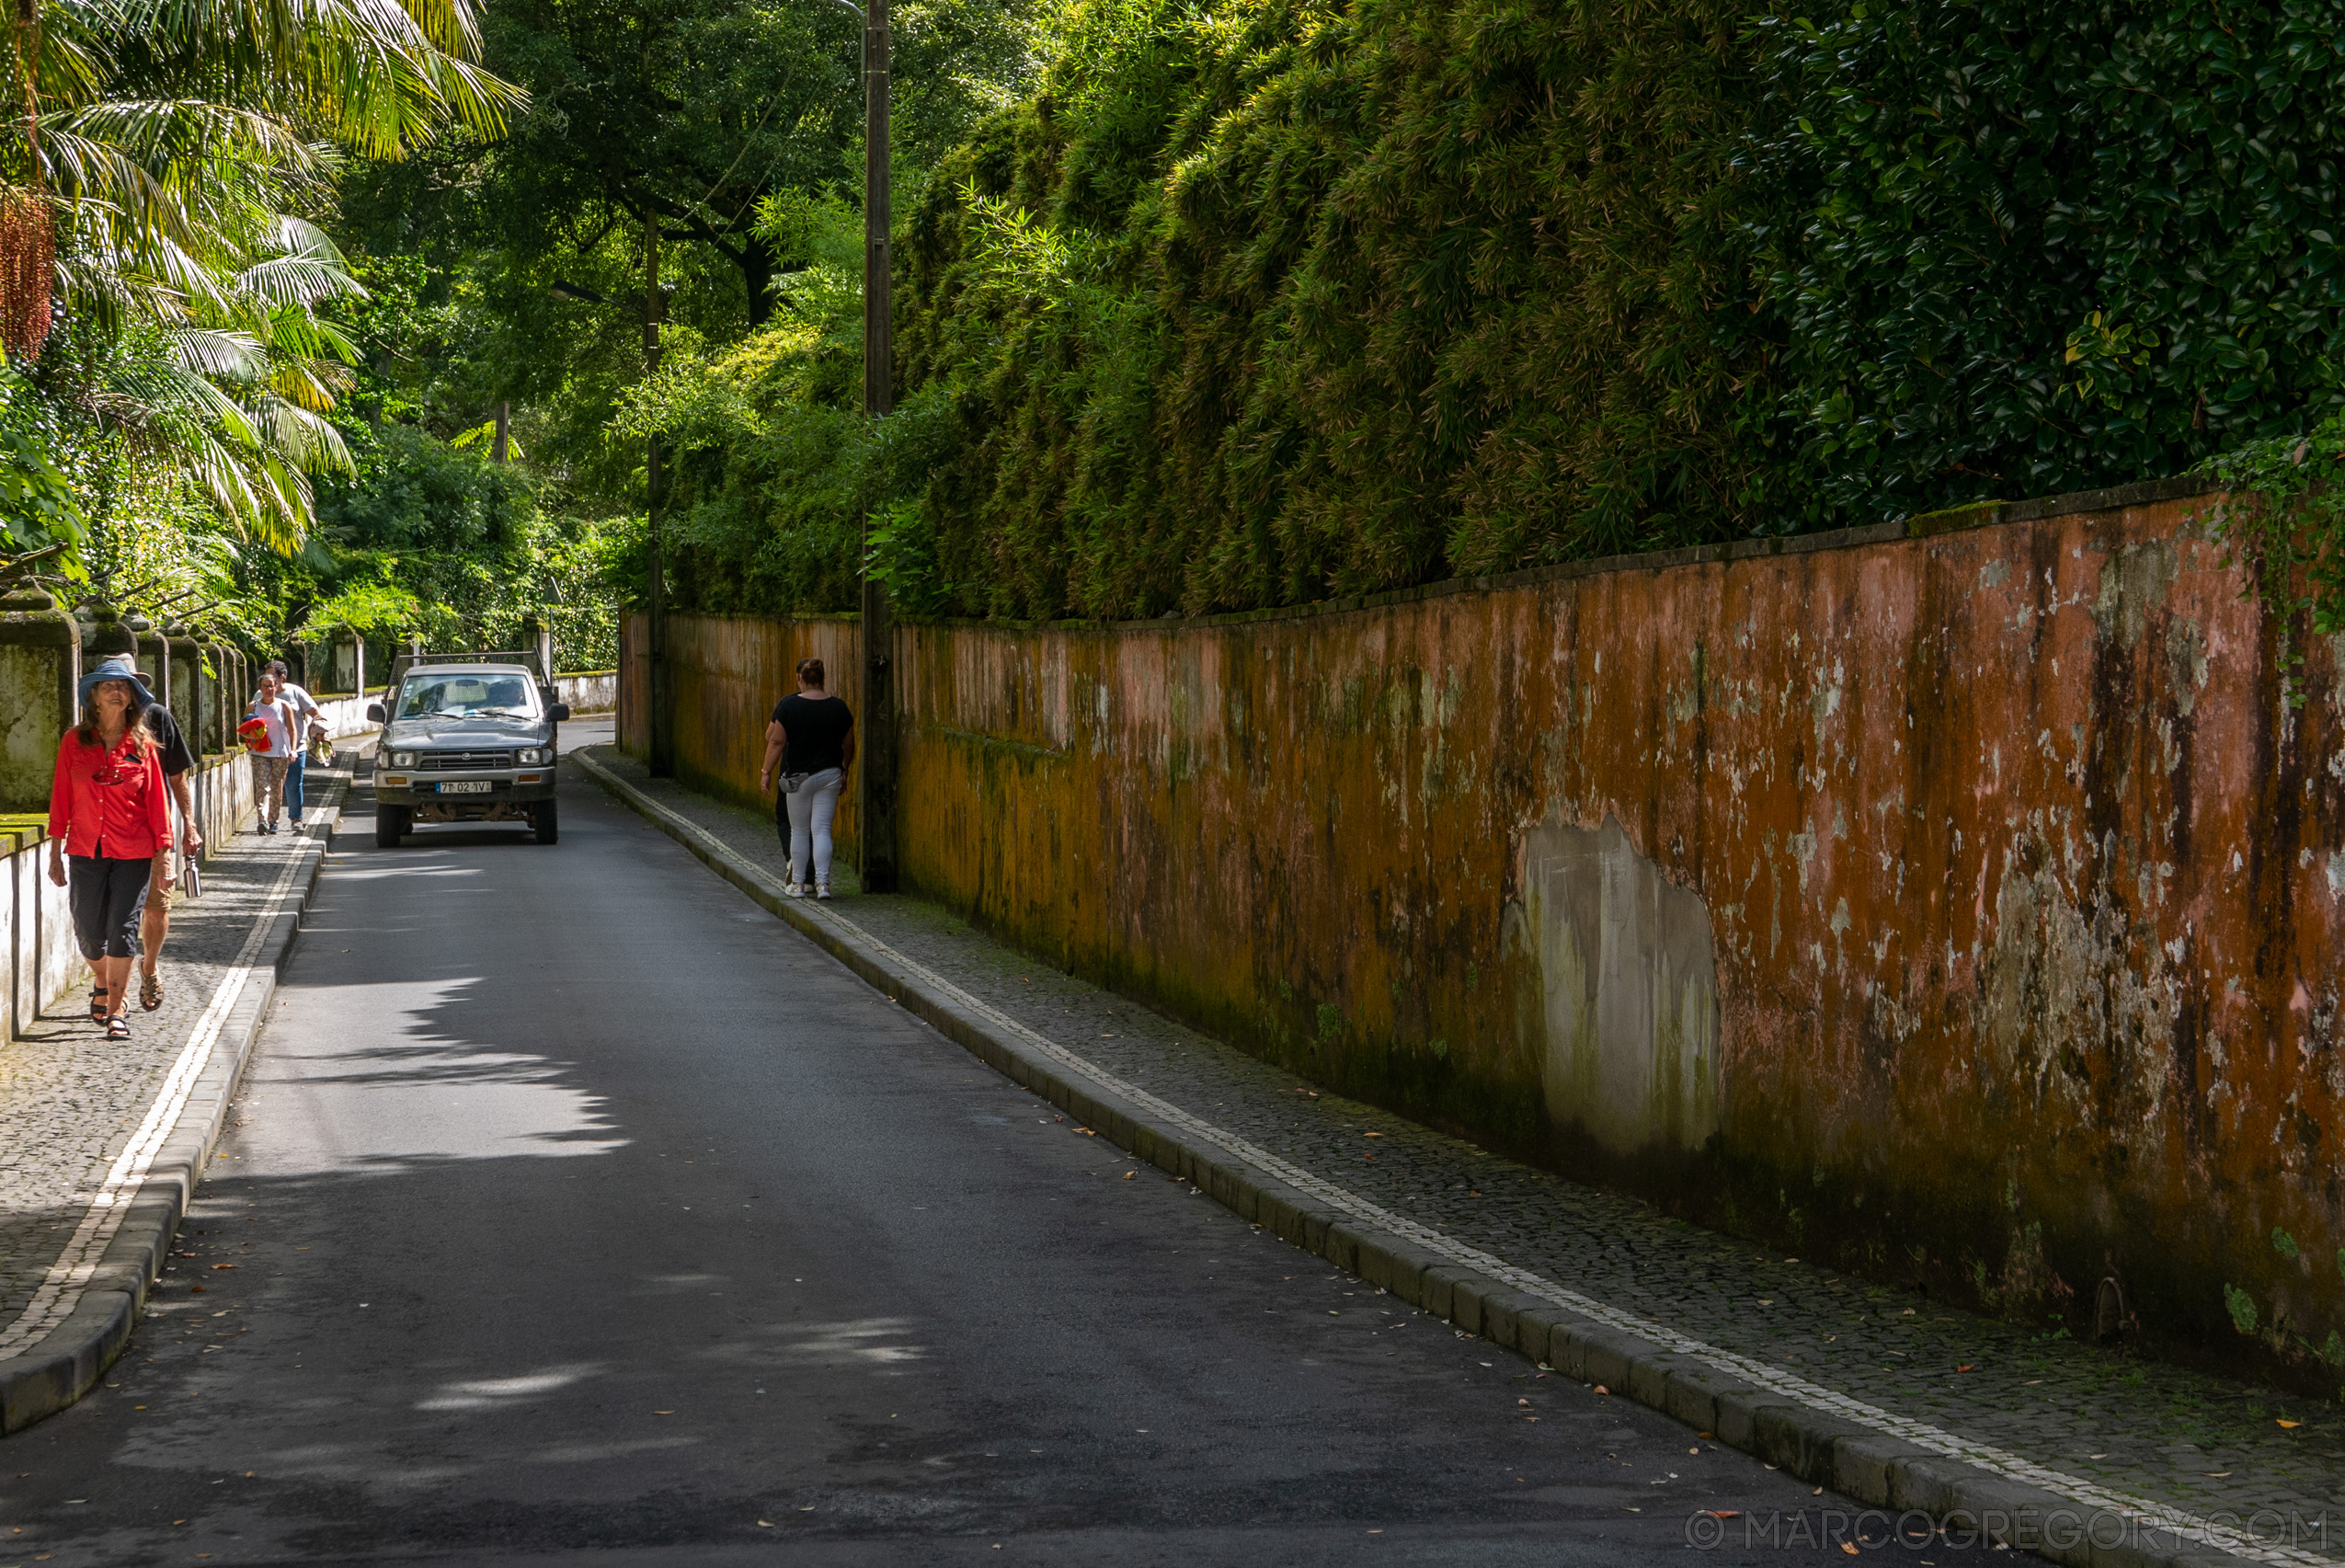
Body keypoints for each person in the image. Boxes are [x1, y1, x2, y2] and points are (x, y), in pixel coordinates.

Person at [47, 655, 176, 1041]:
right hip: (85, 848)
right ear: (95, 698)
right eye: (109, 686)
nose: (118, 691)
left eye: (124, 687)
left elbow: (157, 804)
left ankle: (118, 1008)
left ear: (133, 698)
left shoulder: (144, 745)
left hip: (133, 850)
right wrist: (55, 853)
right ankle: (102, 981)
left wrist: (164, 857)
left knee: (123, 928)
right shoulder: (73, 742)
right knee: (87, 929)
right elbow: (60, 798)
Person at [132, 661, 203, 1012]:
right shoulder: (91, 725)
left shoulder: (157, 717)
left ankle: (149, 967)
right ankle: (108, 985)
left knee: (156, 908)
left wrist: (189, 824)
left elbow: (178, 778)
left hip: (154, 831)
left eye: (125, 683)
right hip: (107, 835)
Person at [758, 657, 854, 900]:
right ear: (822, 679)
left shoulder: (788, 706)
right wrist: (844, 768)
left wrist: (766, 772)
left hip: (798, 777)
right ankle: (823, 884)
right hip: (829, 775)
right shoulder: (839, 707)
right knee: (821, 830)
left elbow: (776, 741)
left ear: (800, 679)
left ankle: (798, 885)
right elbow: (849, 743)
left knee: (799, 831)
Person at [264, 658, 326, 827]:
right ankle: (270, 820)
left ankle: (295, 818)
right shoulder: (262, 694)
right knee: (270, 786)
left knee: (292, 784)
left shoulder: (295, 692)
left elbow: (315, 713)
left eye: (272, 675)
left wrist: (319, 731)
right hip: (270, 749)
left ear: (282, 677)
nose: (268, 680)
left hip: (296, 747)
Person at [247, 670, 297, 833]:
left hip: (279, 753)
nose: (268, 689)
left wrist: (293, 750)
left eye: (271, 686)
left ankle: (273, 821)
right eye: (265, 686)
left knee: (276, 788)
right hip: (259, 753)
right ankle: (262, 821)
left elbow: (292, 730)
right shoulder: (253, 707)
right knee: (262, 787)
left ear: (276, 687)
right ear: (260, 688)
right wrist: (249, 741)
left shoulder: (283, 706)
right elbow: (243, 730)